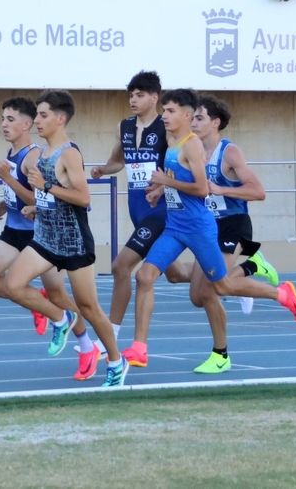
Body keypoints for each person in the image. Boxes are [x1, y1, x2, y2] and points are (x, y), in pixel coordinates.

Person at [130, 92, 296, 378]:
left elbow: (258, 191)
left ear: (215, 122)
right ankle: (251, 267)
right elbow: (183, 180)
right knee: (186, 284)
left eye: (200, 118)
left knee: (211, 290)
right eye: (193, 117)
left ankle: (224, 350)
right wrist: (161, 189)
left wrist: (222, 189)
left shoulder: (229, 152)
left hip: (231, 223)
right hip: (201, 223)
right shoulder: (184, 147)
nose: (194, 122)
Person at [0, 91, 129, 388]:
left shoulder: (69, 153)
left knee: (90, 307)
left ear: (61, 118)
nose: (38, 121)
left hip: (74, 242)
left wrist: (48, 187)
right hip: (45, 238)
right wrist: (35, 205)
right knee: (12, 284)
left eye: (43, 116)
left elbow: (83, 198)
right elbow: (46, 196)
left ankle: (117, 362)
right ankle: (60, 319)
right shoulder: (41, 153)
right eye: (38, 115)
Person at [90, 71, 169, 368]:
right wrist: (103, 170)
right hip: (137, 208)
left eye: (139, 95)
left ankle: (109, 335)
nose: (133, 100)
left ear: (154, 97)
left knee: (121, 265)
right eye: (131, 95)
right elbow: (119, 161)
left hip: (160, 211)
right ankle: (228, 280)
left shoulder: (166, 126)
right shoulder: (124, 126)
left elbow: (178, 164)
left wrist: (162, 186)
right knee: (174, 273)